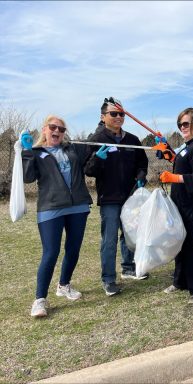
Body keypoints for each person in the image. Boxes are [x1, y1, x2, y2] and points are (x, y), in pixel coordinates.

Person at [22, 115, 92, 318]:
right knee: (50, 253)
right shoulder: (36, 152)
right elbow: (28, 178)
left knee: (73, 249)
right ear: (44, 129)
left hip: (77, 206)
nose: (57, 131)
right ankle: (39, 300)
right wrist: (26, 152)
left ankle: (64, 285)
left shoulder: (72, 149)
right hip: (50, 207)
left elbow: (94, 145)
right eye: (53, 127)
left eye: (61, 129)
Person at [85, 97, 149, 296]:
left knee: (130, 233)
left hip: (130, 195)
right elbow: (88, 170)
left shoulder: (132, 140)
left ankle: (128, 267)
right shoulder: (95, 139)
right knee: (109, 239)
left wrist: (141, 176)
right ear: (103, 117)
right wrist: (97, 159)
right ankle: (108, 279)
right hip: (109, 198)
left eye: (122, 114)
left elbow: (142, 163)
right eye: (114, 113)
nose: (119, 117)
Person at [160, 107, 193, 304]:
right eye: (180, 124)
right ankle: (180, 281)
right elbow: (184, 162)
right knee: (180, 243)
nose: (182, 127)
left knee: (191, 245)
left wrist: (174, 177)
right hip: (181, 204)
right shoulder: (187, 146)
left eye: (186, 123)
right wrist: (169, 155)